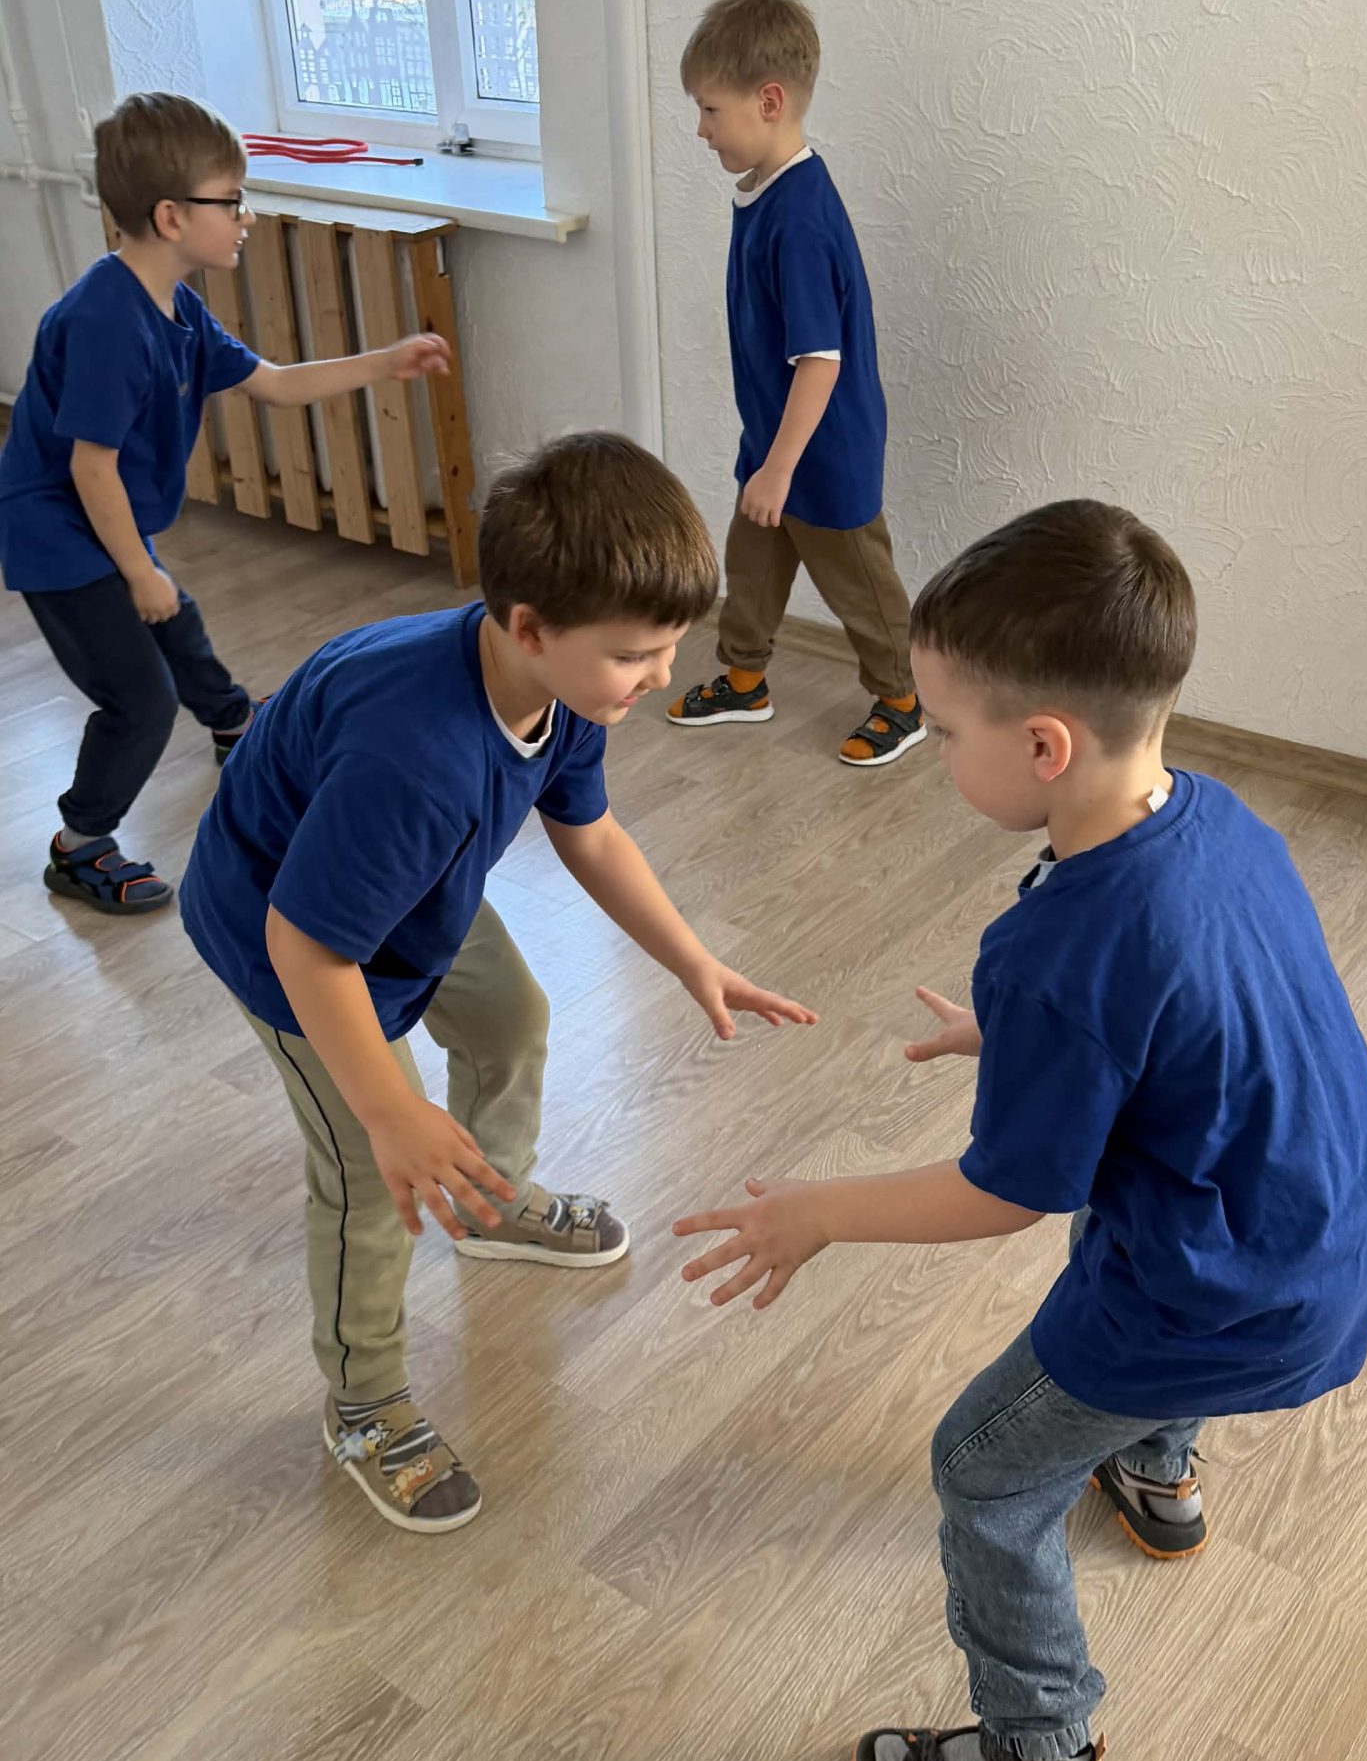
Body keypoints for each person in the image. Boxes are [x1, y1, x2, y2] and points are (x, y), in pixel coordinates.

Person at [675, 501, 1367, 1761]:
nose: (941, 751)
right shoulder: (1223, 818)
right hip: (1325, 1225)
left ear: (1045, 747)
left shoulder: (1061, 954)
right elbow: (1187, 1020)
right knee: (1148, 1221)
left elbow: (1008, 1192)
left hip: (1207, 1297)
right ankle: (1157, 1475)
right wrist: (1026, 1040)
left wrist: (821, 1211)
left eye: (949, 731)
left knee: (985, 1470)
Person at [181, 430, 817, 1536]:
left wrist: (692, 958)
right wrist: (394, 1113)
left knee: (512, 1017)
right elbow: (306, 946)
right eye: (637, 654)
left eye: (671, 645)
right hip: (288, 934)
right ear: (529, 627)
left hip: (402, 890)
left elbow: (591, 833)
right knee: (368, 1177)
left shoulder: (565, 690)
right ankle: (363, 1403)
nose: (662, 675)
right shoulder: (414, 758)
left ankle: (489, 1199)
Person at [0, 90, 448, 913]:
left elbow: (274, 383)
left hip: (102, 519)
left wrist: (385, 362)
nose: (247, 217)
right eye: (232, 200)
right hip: (56, 536)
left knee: (179, 621)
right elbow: (91, 469)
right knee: (140, 699)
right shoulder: (105, 321)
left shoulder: (175, 307)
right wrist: (139, 572)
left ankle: (233, 723)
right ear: (172, 216)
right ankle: (79, 844)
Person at [667, 0, 924, 770]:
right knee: (752, 565)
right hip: (775, 440)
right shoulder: (766, 195)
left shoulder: (801, 220)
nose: (701, 128)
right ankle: (745, 679)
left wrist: (780, 467)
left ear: (769, 101)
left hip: (822, 449)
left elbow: (820, 359)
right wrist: (768, 457)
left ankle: (904, 699)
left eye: (711, 109)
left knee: (861, 587)